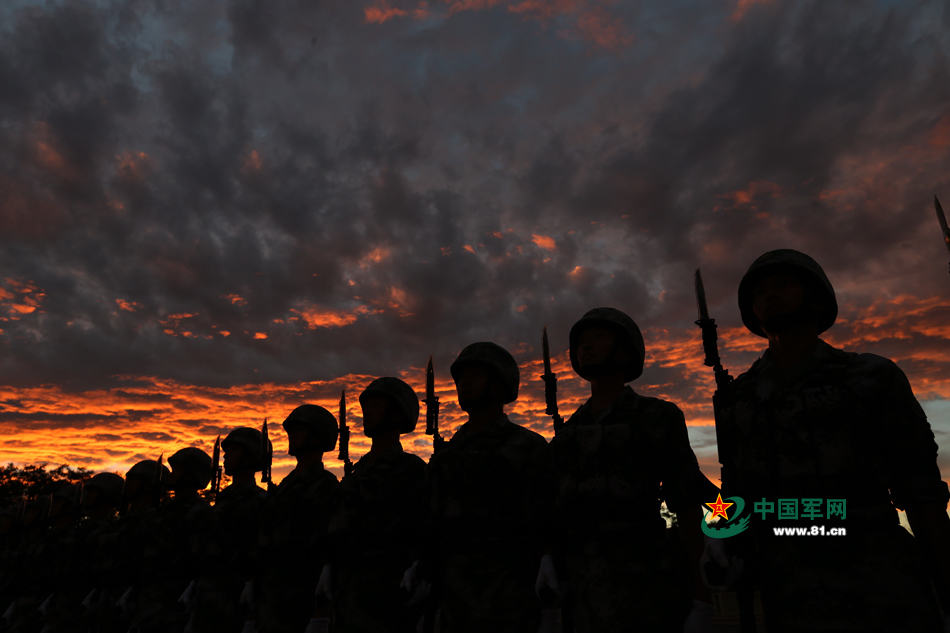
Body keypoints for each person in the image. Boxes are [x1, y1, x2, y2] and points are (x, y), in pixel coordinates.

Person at [715, 248, 950, 632]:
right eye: (760, 292)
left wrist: (945, 579)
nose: (769, 296)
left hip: (876, 581)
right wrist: (720, 543)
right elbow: (736, 492)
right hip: (786, 587)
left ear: (814, 294)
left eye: (783, 285)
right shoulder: (738, 397)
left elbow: (920, 490)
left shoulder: (871, 377)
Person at [542, 307, 711, 633]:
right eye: (582, 342)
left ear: (625, 349)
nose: (586, 347)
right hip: (581, 590)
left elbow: (687, 504)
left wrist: (702, 599)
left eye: (599, 338)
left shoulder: (657, 417)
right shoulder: (567, 435)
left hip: (646, 585)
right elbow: (552, 513)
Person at [422, 342, 552, 633]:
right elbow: (431, 520)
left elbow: (545, 514)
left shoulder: (528, 447)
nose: (464, 384)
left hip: (510, 588)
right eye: (461, 378)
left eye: (475, 375)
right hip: (454, 591)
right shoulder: (447, 455)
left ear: (498, 382)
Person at [322, 377, 427, 632]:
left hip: (392, 594)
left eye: (377, 405)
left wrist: (421, 571)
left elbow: (425, 529)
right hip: (349, 594)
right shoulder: (355, 476)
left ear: (397, 412)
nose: (367, 413)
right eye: (366, 406)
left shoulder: (413, 471)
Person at [256, 405, 340, 633]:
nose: (291, 437)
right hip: (275, 593)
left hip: (306, 591)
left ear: (317, 435)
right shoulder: (285, 487)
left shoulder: (327, 486)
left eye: (299, 430)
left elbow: (330, 543)